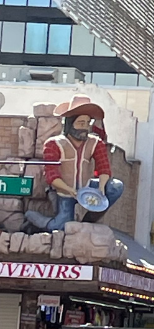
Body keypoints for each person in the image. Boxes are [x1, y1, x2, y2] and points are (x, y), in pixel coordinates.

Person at [26, 96, 124, 231]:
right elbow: (51, 175)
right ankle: (34, 218)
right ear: (70, 123)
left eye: (87, 123)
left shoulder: (95, 143)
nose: (85, 127)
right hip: (64, 191)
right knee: (61, 226)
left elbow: (104, 168)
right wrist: (70, 190)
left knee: (116, 186)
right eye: (81, 123)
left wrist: (101, 188)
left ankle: (88, 221)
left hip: (87, 188)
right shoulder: (54, 144)